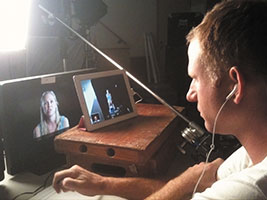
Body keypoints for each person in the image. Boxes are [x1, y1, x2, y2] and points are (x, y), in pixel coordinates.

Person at [52, 1, 267, 199]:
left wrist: (192, 179)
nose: (190, 94)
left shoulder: (249, 190)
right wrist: (102, 184)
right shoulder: (252, 154)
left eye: (195, 79)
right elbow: (186, 189)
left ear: (234, 86)